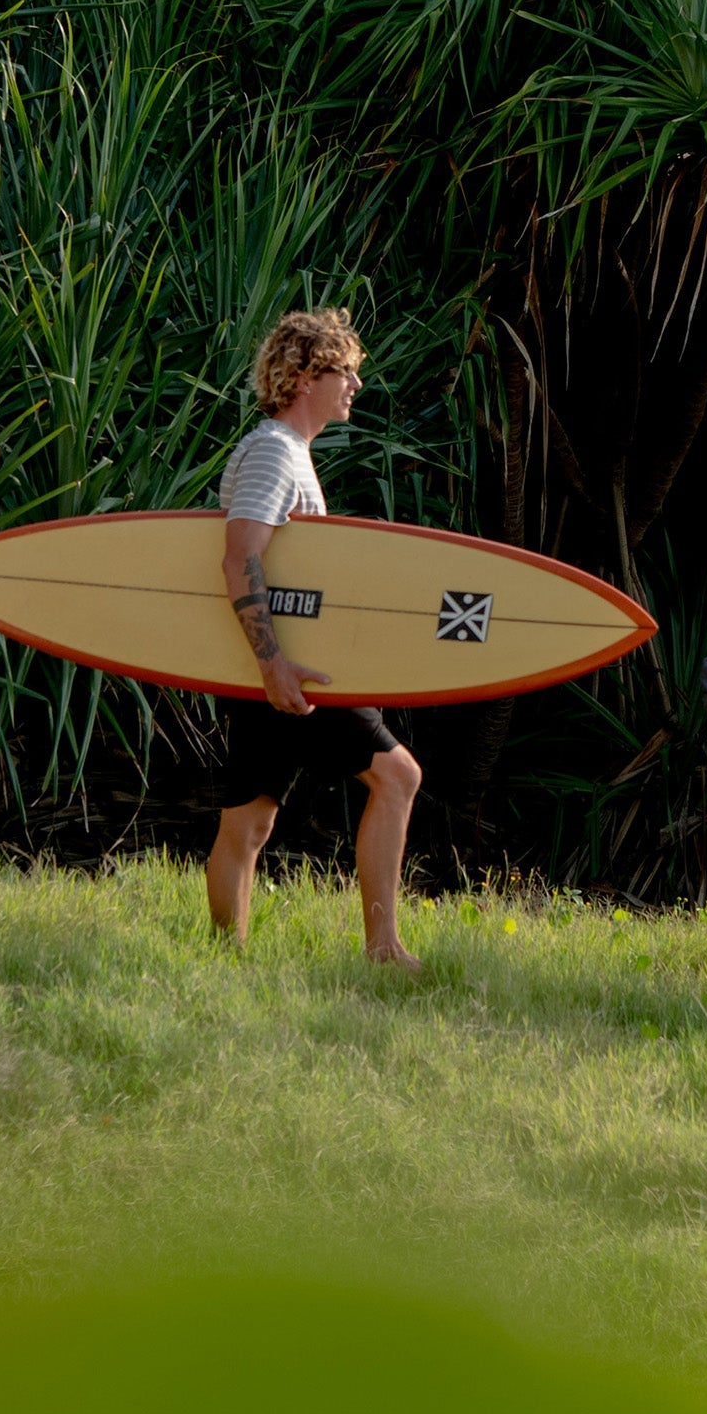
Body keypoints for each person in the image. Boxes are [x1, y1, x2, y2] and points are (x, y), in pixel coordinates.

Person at [204, 308, 424, 971]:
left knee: (249, 820)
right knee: (398, 776)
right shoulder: (274, 452)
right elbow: (240, 556)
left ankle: (224, 962)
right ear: (304, 378)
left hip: (271, 664)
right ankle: (383, 949)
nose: (356, 385)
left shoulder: (285, 449)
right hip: (286, 666)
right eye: (345, 372)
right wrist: (274, 665)